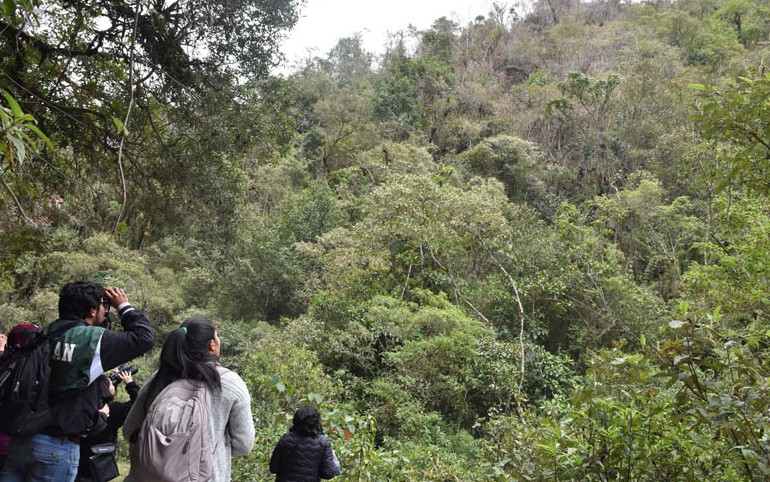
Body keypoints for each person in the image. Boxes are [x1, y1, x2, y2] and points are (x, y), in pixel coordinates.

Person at [0, 281, 155, 482]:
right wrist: (123, 306)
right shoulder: (93, 339)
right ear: (92, 311)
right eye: (102, 306)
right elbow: (144, 338)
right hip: (57, 447)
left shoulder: (42, 335)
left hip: (21, 441)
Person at [123, 316, 255, 482]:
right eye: (217, 336)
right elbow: (244, 444)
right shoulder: (229, 383)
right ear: (212, 345)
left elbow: (129, 431)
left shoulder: (159, 377)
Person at [76, 370, 140, 482]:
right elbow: (138, 405)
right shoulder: (113, 410)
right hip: (99, 465)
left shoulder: (85, 406)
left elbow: (102, 394)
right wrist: (130, 384)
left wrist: (112, 383)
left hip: (80, 461)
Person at [269, 404, 341, 482]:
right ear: (316, 422)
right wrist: (333, 458)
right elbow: (328, 474)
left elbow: (273, 468)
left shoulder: (285, 439)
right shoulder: (323, 443)